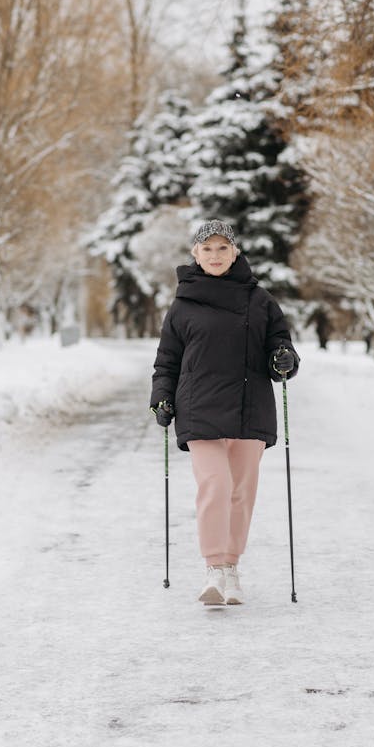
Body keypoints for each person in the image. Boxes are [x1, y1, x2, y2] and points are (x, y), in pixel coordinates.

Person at [150, 219, 299, 607]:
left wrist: (284, 359)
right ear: (195, 255)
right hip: (199, 408)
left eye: (222, 248)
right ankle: (214, 567)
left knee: (240, 493)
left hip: (251, 409)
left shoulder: (260, 300)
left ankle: (232, 567)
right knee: (214, 486)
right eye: (207, 249)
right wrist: (161, 399)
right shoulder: (183, 305)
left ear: (235, 252)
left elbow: (280, 348)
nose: (215, 255)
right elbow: (167, 361)